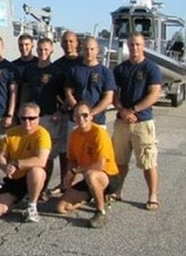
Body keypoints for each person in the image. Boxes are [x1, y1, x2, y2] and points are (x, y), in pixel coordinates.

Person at [112, 33, 163, 211]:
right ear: (128, 46)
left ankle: (152, 195)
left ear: (144, 46)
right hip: (122, 122)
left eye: (138, 45)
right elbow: (113, 95)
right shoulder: (120, 69)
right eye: (132, 45)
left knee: (148, 162)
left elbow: (154, 94)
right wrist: (122, 111)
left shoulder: (151, 68)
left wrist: (133, 110)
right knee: (119, 161)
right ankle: (117, 190)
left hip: (143, 122)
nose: (134, 48)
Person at [56, 101, 120, 228]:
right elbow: (72, 160)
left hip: (107, 177)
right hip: (88, 176)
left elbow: (100, 165)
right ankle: (92, 196)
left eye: (85, 115)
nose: (81, 119)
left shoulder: (99, 133)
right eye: (77, 116)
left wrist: (76, 171)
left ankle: (100, 211)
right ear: (73, 118)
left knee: (91, 175)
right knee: (62, 208)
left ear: (91, 116)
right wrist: (69, 174)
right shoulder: (74, 134)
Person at [0, 102, 51, 223]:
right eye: (23, 118)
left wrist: (16, 163)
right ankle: (18, 197)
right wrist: (5, 166)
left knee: (37, 171)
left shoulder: (42, 134)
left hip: (31, 174)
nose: (27, 122)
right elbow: (1, 156)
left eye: (31, 118)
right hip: (15, 178)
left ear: (38, 118)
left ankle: (32, 205)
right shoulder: (10, 133)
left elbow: (41, 160)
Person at [20, 38, 63, 198]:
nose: (43, 52)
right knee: (28, 153)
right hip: (29, 119)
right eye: (40, 49)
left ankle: (42, 189)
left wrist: (60, 111)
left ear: (51, 51)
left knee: (46, 156)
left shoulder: (57, 71)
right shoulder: (30, 69)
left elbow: (64, 95)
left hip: (47, 117)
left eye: (46, 49)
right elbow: (24, 90)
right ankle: (28, 187)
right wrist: (21, 111)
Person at [50, 30, 82, 196]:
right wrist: (63, 107)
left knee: (81, 152)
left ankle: (83, 186)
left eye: (71, 41)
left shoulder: (83, 63)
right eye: (65, 41)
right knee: (65, 151)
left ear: (77, 43)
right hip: (63, 113)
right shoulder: (57, 65)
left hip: (81, 115)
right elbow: (54, 90)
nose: (68, 44)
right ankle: (65, 183)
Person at [65, 37, 116, 127]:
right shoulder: (74, 70)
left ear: (97, 50)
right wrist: (79, 112)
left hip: (97, 122)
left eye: (92, 49)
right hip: (76, 122)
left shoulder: (106, 72)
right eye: (86, 49)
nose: (89, 52)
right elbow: (69, 93)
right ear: (82, 51)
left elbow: (108, 98)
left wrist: (91, 113)